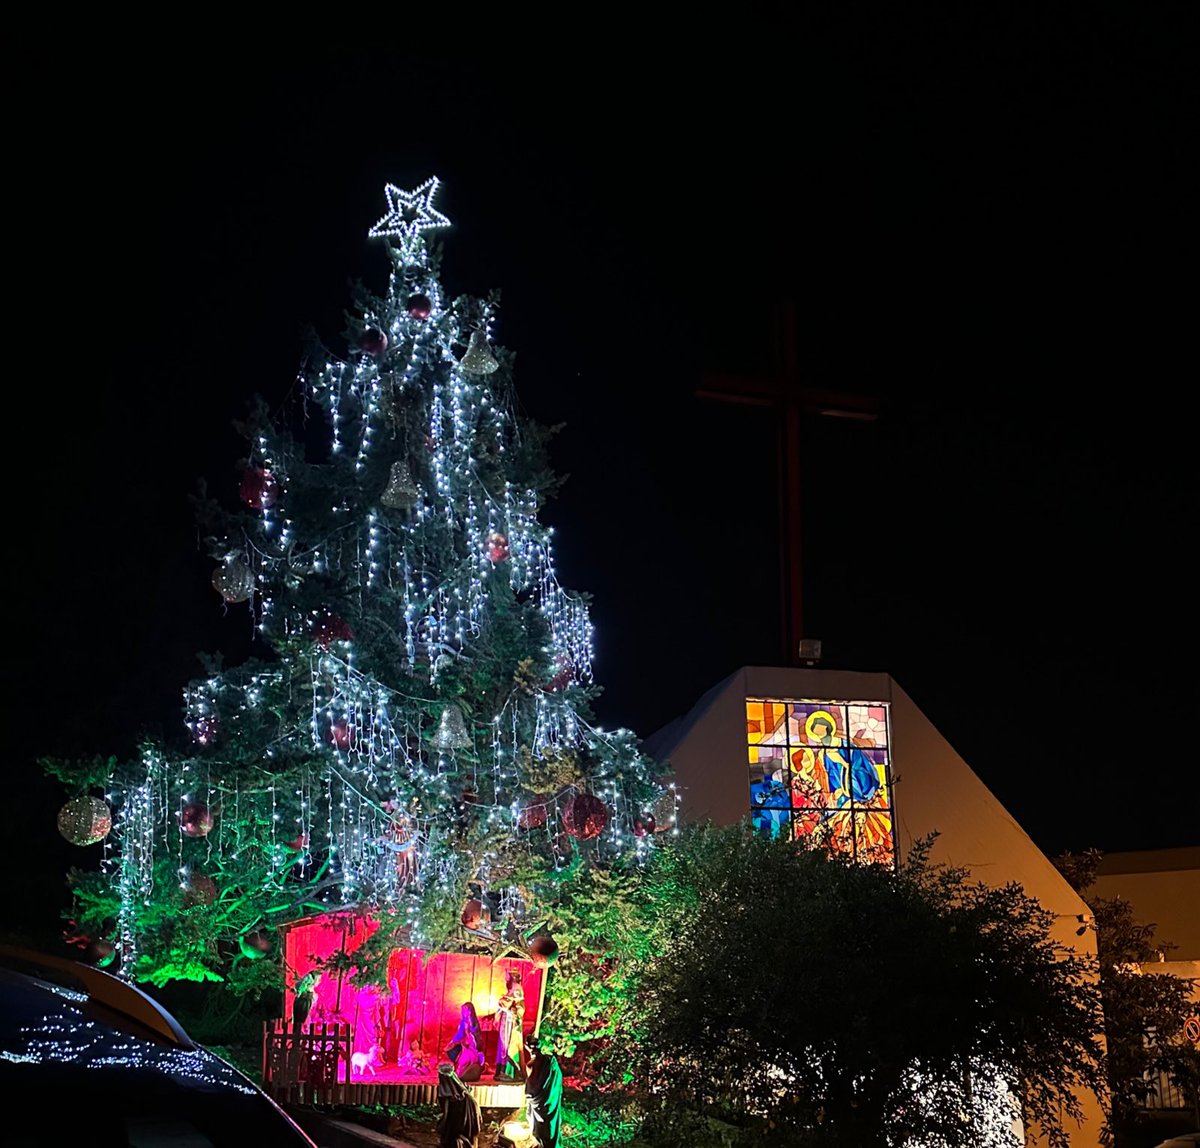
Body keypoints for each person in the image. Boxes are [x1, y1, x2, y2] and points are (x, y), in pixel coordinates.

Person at [524, 1036, 563, 1148]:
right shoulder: (551, 1061)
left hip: (540, 1104)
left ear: (527, 1047)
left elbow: (531, 1091)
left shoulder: (531, 1065)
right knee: (550, 1127)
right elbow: (558, 1079)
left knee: (541, 1129)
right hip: (551, 1100)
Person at [437, 1062, 482, 1148]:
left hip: (457, 1123)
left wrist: (442, 1125)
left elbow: (446, 1112)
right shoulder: (464, 1092)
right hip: (468, 1124)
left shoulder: (447, 1093)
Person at [493, 969, 525, 1080]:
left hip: (511, 1025)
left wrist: (508, 1010)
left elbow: (518, 1009)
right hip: (505, 1022)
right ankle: (501, 1071)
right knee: (503, 1046)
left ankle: (511, 1073)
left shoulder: (517, 990)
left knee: (510, 1047)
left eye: (508, 977)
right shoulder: (510, 992)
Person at [444, 1001, 485, 1082]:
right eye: (463, 1011)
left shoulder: (474, 1024)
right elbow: (459, 1034)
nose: (464, 1012)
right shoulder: (463, 1023)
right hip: (465, 1046)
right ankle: (461, 1072)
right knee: (454, 1052)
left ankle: (469, 1070)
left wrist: (469, 1039)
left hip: (473, 1048)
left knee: (467, 1058)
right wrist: (452, 1042)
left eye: (466, 1010)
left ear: (470, 1011)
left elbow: (476, 1037)